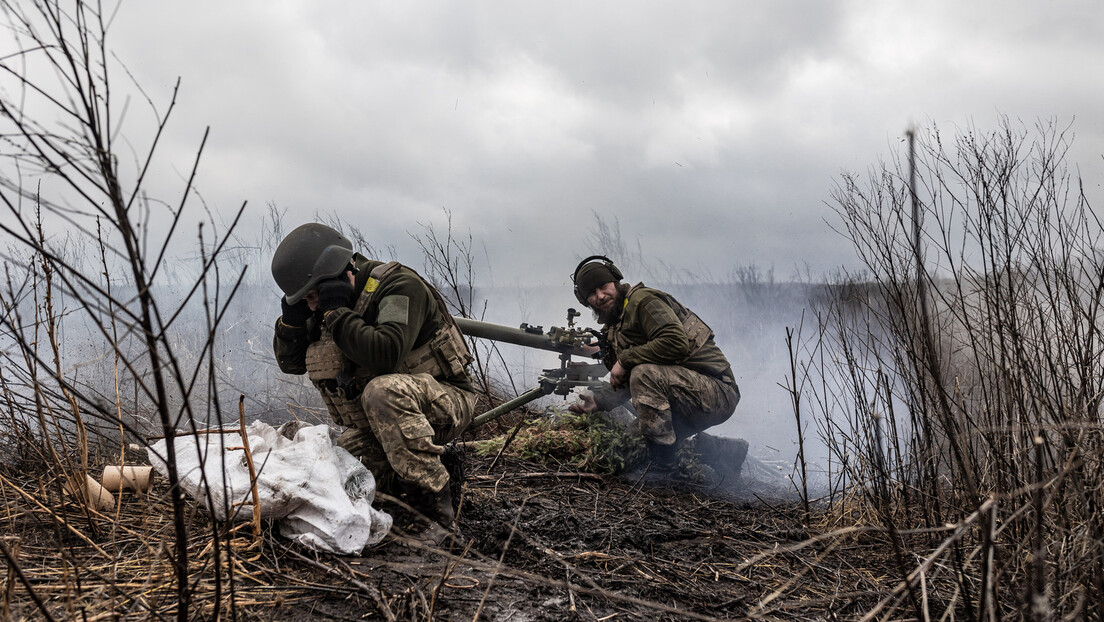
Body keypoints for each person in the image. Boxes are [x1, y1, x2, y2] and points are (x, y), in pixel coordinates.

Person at [271, 223, 477, 542]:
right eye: (305, 300)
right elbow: (291, 363)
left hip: (446, 403)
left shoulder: (398, 286)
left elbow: (386, 354)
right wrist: (292, 323)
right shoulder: (322, 305)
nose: (312, 305)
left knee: (382, 392)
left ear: (340, 274)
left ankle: (438, 518)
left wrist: (337, 312)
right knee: (334, 474)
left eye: (314, 296)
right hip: (380, 427)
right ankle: (425, 467)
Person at [568, 255, 746, 477]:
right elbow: (636, 376)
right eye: (592, 294)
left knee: (643, 374)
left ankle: (664, 470)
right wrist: (600, 400)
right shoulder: (617, 324)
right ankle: (721, 452)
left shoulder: (643, 301)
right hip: (682, 397)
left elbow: (675, 343)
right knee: (620, 453)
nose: (600, 296)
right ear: (586, 301)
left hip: (716, 391)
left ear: (615, 282)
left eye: (603, 287)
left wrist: (624, 360)